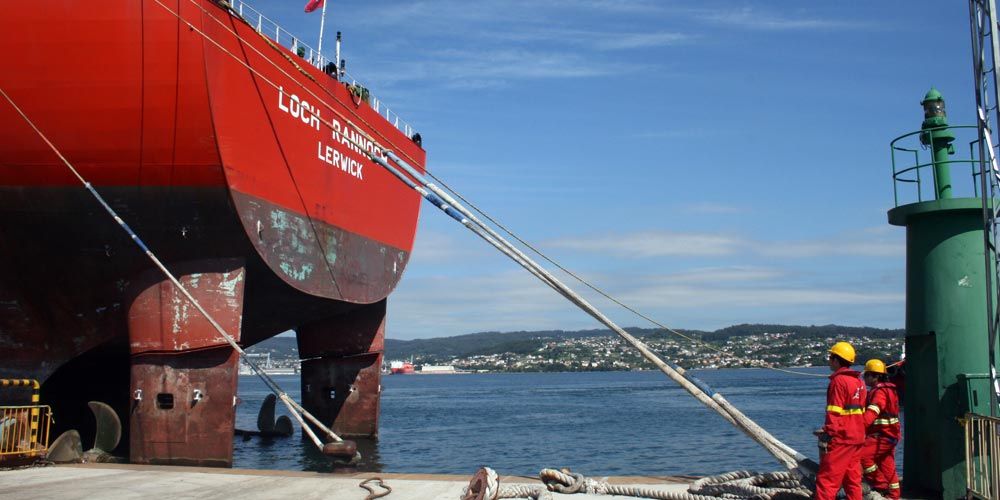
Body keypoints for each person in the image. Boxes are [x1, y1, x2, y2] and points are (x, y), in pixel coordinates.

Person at [814, 341, 867, 500]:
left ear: (837, 360)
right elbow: (860, 411)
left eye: (831, 357)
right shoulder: (859, 382)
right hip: (857, 437)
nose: (829, 360)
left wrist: (829, 432)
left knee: (827, 480)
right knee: (852, 480)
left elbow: (834, 411)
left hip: (842, 439)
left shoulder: (839, 381)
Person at [861, 359, 901, 499]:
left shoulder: (879, 392)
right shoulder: (890, 389)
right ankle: (894, 494)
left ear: (875, 376)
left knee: (862, 457)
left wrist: (858, 428)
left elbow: (873, 411)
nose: (864, 377)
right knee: (887, 464)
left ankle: (881, 485)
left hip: (881, 435)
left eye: (866, 374)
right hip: (891, 435)